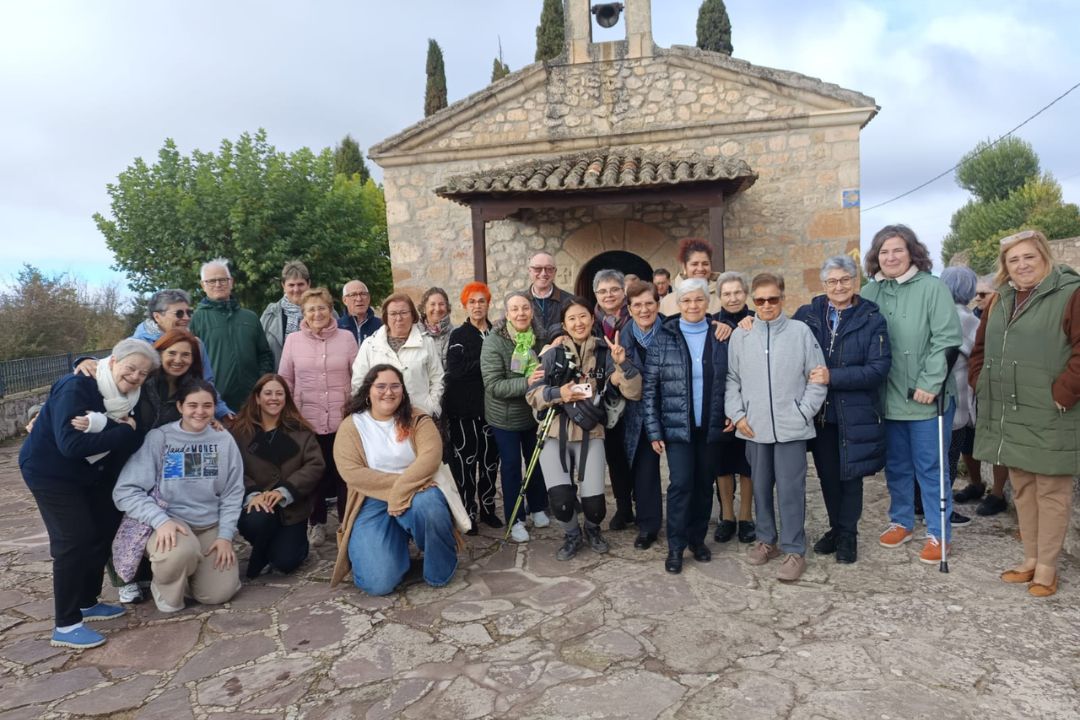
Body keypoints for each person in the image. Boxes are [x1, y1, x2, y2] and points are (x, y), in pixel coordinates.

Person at [19, 338, 158, 649]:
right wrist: (122, 431)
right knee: (73, 540)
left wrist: (120, 431)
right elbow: (71, 445)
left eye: (143, 373)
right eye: (131, 368)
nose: (135, 376)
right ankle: (66, 625)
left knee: (100, 531)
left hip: (89, 473)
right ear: (113, 361)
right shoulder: (77, 386)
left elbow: (134, 438)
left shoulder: (131, 398)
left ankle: (87, 601)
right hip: (50, 471)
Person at [970, 229, 1080, 597]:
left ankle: (1047, 566)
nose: (1022, 265)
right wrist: (980, 382)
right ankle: (1030, 558)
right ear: (1005, 266)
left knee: (1051, 490)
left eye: (1029, 257)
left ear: (1044, 256)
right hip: (1009, 409)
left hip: (1052, 411)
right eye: (1013, 260)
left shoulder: (1071, 293)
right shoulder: (1000, 299)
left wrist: (1063, 393)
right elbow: (979, 349)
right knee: (1023, 488)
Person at [861, 225, 963, 564]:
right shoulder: (870, 292)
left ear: (912, 253)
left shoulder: (933, 288)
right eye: (884, 252)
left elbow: (946, 339)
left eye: (897, 250)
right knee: (897, 466)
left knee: (931, 467)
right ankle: (902, 520)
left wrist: (930, 383)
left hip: (926, 399)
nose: (890, 257)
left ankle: (938, 532)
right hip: (888, 398)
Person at [727, 272, 827, 582]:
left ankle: (794, 549)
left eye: (772, 299)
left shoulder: (800, 332)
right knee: (760, 487)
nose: (767, 305)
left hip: (791, 428)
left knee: (790, 490)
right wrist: (738, 415)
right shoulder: (741, 336)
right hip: (754, 428)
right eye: (760, 300)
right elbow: (732, 379)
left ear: (782, 298)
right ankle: (766, 540)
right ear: (753, 302)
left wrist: (803, 412)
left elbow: (817, 376)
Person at [114, 379, 244, 613]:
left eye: (207, 406)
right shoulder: (160, 438)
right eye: (192, 405)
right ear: (180, 406)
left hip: (209, 524)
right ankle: (166, 588)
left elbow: (233, 492)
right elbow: (126, 490)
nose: (200, 412)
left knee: (218, 594)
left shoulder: (223, 439)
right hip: (171, 523)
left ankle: (191, 578)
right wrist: (160, 520)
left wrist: (225, 536)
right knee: (180, 553)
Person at [527, 297, 642, 561]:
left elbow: (633, 392)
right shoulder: (552, 355)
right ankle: (572, 535)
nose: (578, 323)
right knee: (561, 500)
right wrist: (560, 393)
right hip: (554, 433)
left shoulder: (605, 353)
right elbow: (533, 394)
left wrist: (623, 364)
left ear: (592, 319)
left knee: (594, 505)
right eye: (572, 318)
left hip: (592, 432)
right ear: (564, 325)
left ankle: (592, 529)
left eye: (583, 317)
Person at [793, 257, 891, 564]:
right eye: (833, 281)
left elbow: (878, 368)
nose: (839, 286)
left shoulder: (871, 319)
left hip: (855, 413)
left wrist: (833, 376)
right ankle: (836, 529)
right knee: (827, 475)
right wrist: (747, 322)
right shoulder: (808, 315)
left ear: (855, 281)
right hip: (820, 413)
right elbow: (780, 335)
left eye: (845, 280)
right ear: (823, 284)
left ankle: (848, 535)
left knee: (851, 476)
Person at [330, 365, 461, 595]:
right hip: (371, 498)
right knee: (377, 583)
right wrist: (400, 487)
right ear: (368, 391)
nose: (388, 392)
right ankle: (395, 546)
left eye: (395, 386)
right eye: (380, 386)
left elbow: (430, 458)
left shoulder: (417, 419)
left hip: (419, 492)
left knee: (430, 506)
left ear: (403, 391)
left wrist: (403, 491)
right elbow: (352, 472)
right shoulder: (352, 426)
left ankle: (439, 569)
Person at [643, 279, 730, 573]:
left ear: (708, 302)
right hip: (677, 427)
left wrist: (732, 412)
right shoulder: (663, 338)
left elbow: (733, 378)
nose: (693, 305)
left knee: (704, 485)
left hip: (711, 426)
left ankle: (697, 540)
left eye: (698, 300)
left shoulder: (720, 336)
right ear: (678, 303)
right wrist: (654, 430)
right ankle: (676, 546)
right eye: (687, 300)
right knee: (681, 484)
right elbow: (650, 389)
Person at [278, 287, 359, 547]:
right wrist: (288, 415)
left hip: (342, 419)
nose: (317, 313)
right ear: (304, 313)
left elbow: (358, 377)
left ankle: (347, 522)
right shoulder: (293, 341)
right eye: (311, 309)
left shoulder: (346, 338)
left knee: (343, 474)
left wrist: (354, 409)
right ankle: (317, 522)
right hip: (307, 420)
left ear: (330, 310)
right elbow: (285, 379)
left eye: (322, 308)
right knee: (314, 475)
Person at [230, 374, 324, 578]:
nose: (274, 398)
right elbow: (233, 467)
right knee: (257, 519)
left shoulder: (301, 430)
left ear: (286, 398)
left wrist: (284, 491)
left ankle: (289, 547)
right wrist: (253, 494)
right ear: (257, 398)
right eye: (268, 393)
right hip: (257, 503)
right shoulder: (239, 431)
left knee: (286, 562)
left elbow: (315, 465)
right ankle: (262, 552)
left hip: (290, 507)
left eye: (279, 393)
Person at [480, 291, 551, 541]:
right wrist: (527, 382)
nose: (521, 313)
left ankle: (538, 506)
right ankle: (516, 518)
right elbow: (493, 385)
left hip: (533, 413)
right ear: (507, 314)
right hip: (505, 417)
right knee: (511, 467)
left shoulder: (540, 338)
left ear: (532, 311)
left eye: (525, 308)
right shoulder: (494, 341)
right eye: (515, 309)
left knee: (536, 461)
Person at [443, 282, 500, 534]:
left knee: (489, 463)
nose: (477, 306)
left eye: (481, 301)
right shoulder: (459, 335)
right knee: (465, 465)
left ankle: (488, 509)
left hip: (493, 410)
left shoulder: (497, 334)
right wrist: (488, 364)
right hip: (463, 411)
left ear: (488, 304)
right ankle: (468, 513)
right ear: (465, 306)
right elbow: (456, 370)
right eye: (472, 302)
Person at [954, 275, 1011, 514]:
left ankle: (997, 494)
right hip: (973, 390)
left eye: (984, 294)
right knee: (969, 440)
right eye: (976, 293)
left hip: (996, 389)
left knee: (997, 441)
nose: (978, 298)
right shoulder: (975, 317)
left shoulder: (1005, 318)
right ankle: (976, 484)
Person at [191, 258, 275, 412]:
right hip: (215, 404)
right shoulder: (195, 320)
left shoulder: (250, 317)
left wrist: (260, 384)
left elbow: (265, 355)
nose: (218, 284)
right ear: (203, 285)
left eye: (223, 279)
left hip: (252, 403)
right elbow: (192, 364)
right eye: (212, 281)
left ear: (231, 282)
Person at [132, 288, 232, 419]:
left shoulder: (195, 344)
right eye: (179, 313)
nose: (186, 318)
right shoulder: (137, 346)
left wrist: (221, 412)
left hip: (182, 422)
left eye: (189, 312)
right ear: (157, 317)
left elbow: (205, 382)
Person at [712, 271, 757, 544]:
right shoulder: (711, 323)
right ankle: (727, 517)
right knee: (723, 463)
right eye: (726, 293)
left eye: (737, 292)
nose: (732, 298)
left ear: (746, 293)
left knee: (747, 463)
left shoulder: (757, 320)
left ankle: (746, 517)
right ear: (719, 297)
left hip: (751, 404)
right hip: (720, 405)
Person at [621, 280, 664, 549]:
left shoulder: (671, 331)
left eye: (649, 303)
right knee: (645, 469)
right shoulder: (623, 337)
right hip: (640, 411)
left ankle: (687, 521)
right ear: (629, 309)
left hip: (671, 407)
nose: (644, 310)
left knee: (684, 470)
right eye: (637, 305)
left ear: (658, 304)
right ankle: (648, 525)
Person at [351, 294, 444, 416]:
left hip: (418, 414)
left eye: (404, 313)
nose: (399, 318)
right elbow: (359, 382)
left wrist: (431, 407)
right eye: (393, 314)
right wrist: (370, 411)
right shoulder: (370, 344)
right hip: (381, 417)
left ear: (412, 315)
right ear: (386, 317)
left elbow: (437, 379)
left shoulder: (426, 343)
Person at [593, 269, 635, 530]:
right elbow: (561, 322)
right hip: (607, 400)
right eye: (603, 291)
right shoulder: (592, 322)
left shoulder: (635, 316)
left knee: (638, 457)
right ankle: (623, 507)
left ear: (623, 292)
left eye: (614, 290)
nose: (608, 295)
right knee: (616, 456)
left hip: (635, 397)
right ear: (596, 295)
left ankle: (645, 505)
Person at [940, 266, 981, 527]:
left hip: (933, 397)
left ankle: (921, 504)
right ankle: (943, 508)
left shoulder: (937, 313)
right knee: (949, 459)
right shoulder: (967, 319)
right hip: (956, 399)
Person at [261, 260, 311, 368]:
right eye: (291, 285)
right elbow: (260, 350)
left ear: (308, 284)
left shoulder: (324, 312)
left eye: (300, 284)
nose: (296, 289)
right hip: (278, 376)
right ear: (283, 285)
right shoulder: (270, 313)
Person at [658, 237, 722, 316]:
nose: (700, 268)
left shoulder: (723, 298)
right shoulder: (667, 302)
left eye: (705, 264)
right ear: (684, 267)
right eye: (694, 264)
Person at [524, 252, 574, 344]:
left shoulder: (570, 301)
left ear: (555, 272)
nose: (543, 273)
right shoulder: (519, 301)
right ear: (529, 271)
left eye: (549, 269)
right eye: (537, 268)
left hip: (560, 351)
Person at [338, 280, 382, 347]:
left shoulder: (381, 326)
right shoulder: (337, 327)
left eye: (363, 294)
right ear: (344, 300)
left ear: (369, 298)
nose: (359, 299)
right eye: (353, 295)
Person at [420, 287, 454, 365]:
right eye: (432, 304)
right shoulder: (415, 334)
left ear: (447, 308)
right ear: (424, 308)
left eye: (441, 304)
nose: (437, 309)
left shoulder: (456, 334)